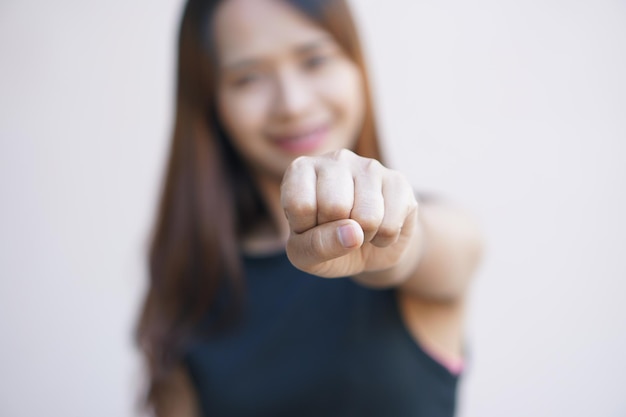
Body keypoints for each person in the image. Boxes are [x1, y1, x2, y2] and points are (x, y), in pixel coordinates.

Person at [136, 0, 484, 416]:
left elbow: (436, 249)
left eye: (315, 60)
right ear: (213, 103)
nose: (293, 104)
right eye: (248, 78)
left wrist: (395, 245)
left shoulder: (430, 226)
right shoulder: (192, 282)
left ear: (357, 67)